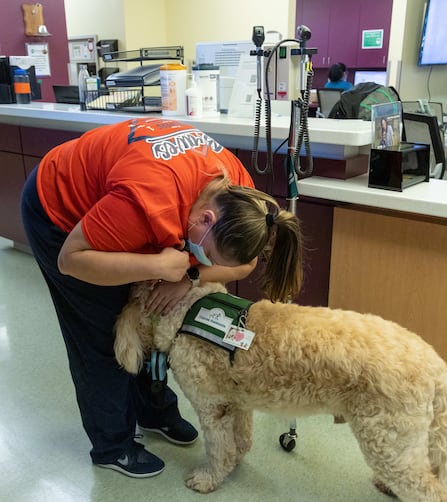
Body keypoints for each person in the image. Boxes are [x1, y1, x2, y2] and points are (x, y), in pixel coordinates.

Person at [20, 117, 303, 479]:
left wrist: (189, 276)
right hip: (60, 213)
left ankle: (153, 412)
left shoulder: (244, 200)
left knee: (152, 316)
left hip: (133, 202)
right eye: (208, 255)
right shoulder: (145, 202)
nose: (204, 264)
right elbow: (71, 261)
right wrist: (156, 264)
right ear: (204, 218)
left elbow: (243, 265)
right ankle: (113, 445)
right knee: (104, 333)